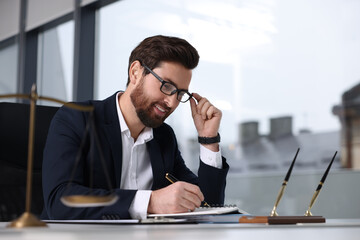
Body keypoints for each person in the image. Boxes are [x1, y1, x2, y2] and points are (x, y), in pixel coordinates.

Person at [41, 35, 229, 220]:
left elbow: (207, 206)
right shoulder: (76, 119)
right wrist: (151, 202)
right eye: (167, 85)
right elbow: (60, 201)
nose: (171, 102)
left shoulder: (164, 136)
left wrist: (208, 139)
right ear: (135, 73)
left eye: (180, 93)